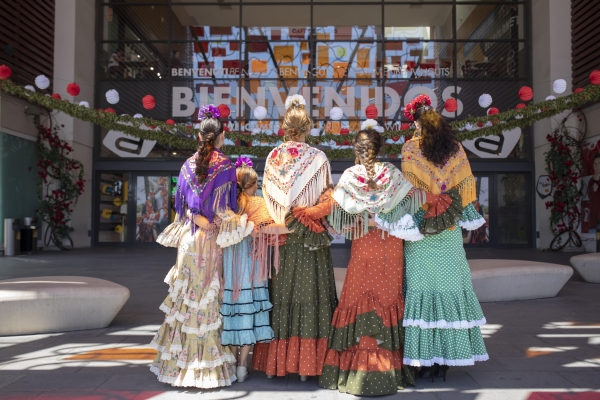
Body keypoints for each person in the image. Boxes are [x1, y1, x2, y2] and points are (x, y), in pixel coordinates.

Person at [316, 123, 428, 395]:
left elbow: (336, 216)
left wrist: (362, 218)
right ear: (379, 149)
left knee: (357, 300)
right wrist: (386, 217)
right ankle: (391, 371)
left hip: (364, 246)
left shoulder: (351, 175)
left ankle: (355, 373)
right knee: (388, 302)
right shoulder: (391, 173)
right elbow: (416, 199)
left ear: (357, 150)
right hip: (390, 246)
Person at [150, 104, 238, 388]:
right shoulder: (225, 165)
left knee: (186, 298)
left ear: (199, 136)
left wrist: (195, 216)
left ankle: (177, 367)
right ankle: (207, 366)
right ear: (221, 135)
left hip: (189, 239)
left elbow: (182, 207)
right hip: (210, 239)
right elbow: (225, 210)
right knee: (208, 298)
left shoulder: (186, 165)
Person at [252, 94, 338, 381]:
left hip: (282, 240)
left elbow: (266, 194)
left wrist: (280, 220)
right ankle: (307, 366)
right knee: (312, 297)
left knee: (282, 297)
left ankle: (279, 363)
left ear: (285, 126)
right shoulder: (318, 158)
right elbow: (326, 196)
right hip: (311, 238)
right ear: (308, 127)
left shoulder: (273, 157)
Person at [401, 95, 488, 379]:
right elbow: (466, 185)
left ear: (417, 124)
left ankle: (423, 359)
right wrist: (449, 202)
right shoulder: (456, 150)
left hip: (421, 231)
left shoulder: (411, 150)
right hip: (449, 231)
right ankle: (447, 359)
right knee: (451, 291)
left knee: (421, 292)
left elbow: (410, 192)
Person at [217, 157, 284, 383]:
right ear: (253, 185)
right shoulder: (258, 204)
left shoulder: (227, 207)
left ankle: (233, 361)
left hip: (232, 264)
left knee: (235, 311)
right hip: (253, 264)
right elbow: (267, 230)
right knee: (250, 311)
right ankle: (243, 367)